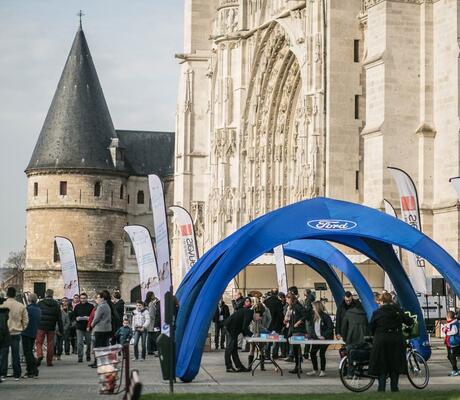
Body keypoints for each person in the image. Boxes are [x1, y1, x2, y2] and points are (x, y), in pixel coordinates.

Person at [368, 292, 414, 392]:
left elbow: (371, 328)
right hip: (396, 339)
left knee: (382, 364)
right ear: (391, 301)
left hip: (381, 340)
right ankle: (394, 387)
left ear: (381, 301)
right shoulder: (397, 310)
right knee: (395, 364)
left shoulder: (377, 313)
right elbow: (409, 321)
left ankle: (381, 388)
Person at [0, 287, 29, 380]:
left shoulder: (2, 304)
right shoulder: (21, 306)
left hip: (4, 332)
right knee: (16, 354)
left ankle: (2, 373)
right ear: (15, 294)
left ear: (7, 294)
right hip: (16, 332)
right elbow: (25, 320)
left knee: (3, 354)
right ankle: (17, 374)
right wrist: (22, 328)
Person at [224, 297, 257, 372]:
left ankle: (239, 366)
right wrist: (252, 335)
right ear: (256, 313)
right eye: (259, 317)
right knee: (230, 348)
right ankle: (228, 367)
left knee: (234, 348)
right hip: (230, 328)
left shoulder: (248, 312)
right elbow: (244, 327)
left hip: (233, 329)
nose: (259, 319)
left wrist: (247, 335)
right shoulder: (249, 313)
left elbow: (243, 327)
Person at [36, 289, 63, 367]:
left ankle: (40, 354)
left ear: (45, 294)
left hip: (41, 326)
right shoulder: (56, 304)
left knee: (39, 342)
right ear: (52, 294)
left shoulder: (40, 303)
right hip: (51, 326)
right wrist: (61, 330)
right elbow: (59, 319)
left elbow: (37, 314)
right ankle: (49, 362)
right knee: (50, 344)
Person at [307, 301, 334, 377]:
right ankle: (315, 370)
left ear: (317, 307)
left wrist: (324, 336)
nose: (312, 308)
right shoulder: (314, 316)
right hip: (316, 339)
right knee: (312, 353)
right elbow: (313, 328)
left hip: (325, 339)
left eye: (313, 307)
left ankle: (323, 370)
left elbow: (330, 328)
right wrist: (311, 336)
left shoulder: (325, 316)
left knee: (322, 353)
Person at [285, 292, 307, 374]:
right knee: (295, 349)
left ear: (290, 298)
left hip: (298, 330)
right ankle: (297, 366)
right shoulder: (293, 307)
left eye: (287, 299)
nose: (286, 301)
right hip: (293, 329)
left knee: (296, 349)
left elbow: (305, 315)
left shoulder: (297, 306)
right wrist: (288, 321)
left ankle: (298, 367)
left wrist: (298, 322)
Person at [21, 293, 41, 378]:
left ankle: (32, 370)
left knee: (27, 352)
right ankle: (31, 369)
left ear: (29, 300)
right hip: (34, 332)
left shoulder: (27, 309)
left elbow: (23, 319)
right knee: (29, 351)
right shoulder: (38, 309)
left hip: (26, 332)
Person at [248, 302, 271, 370]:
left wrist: (265, 327)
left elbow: (269, 319)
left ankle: (261, 366)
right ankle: (250, 366)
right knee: (253, 348)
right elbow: (249, 319)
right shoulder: (252, 310)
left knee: (261, 348)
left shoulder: (266, 310)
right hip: (254, 330)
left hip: (262, 331)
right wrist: (252, 324)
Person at [72, 292, 94, 363]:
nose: (83, 300)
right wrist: (76, 318)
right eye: (81, 298)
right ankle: (80, 356)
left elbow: (93, 316)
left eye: (84, 298)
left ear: (87, 298)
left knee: (88, 342)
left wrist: (89, 318)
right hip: (79, 327)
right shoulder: (77, 306)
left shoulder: (91, 306)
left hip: (88, 327)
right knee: (79, 342)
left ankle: (88, 355)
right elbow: (73, 316)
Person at [263, 289, 283, 359]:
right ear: (277, 294)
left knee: (268, 339)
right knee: (276, 340)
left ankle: (267, 354)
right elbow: (280, 314)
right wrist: (282, 323)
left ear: (271, 293)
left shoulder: (266, 301)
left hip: (268, 323)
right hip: (277, 324)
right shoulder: (279, 302)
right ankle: (275, 354)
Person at [442, 311, 460, 376]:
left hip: (454, 343)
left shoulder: (454, 323)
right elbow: (444, 329)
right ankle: (455, 369)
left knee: (452, 356)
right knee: (449, 356)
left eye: (446, 317)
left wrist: (447, 332)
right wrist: (444, 329)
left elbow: (454, 331)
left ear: (448, 317)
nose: (446, 318)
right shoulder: (449, 323)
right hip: (449, 343)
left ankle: (455, 370)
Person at [302, 289, 315, 359]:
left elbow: (307, 310)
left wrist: (305, 318)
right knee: (310, 336)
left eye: (304, 292)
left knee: (308, 336)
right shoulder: (311, 298)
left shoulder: (308, 300)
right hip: (311, 320)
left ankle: (306, 353)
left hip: (309, 320)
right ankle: (307, 352)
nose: (303, 293)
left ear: (306, 293)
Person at [0, 292, 10, 383]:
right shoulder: (5, 312)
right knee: (3, 356)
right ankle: (2, 373)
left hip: (3, 335)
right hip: (4, 336)